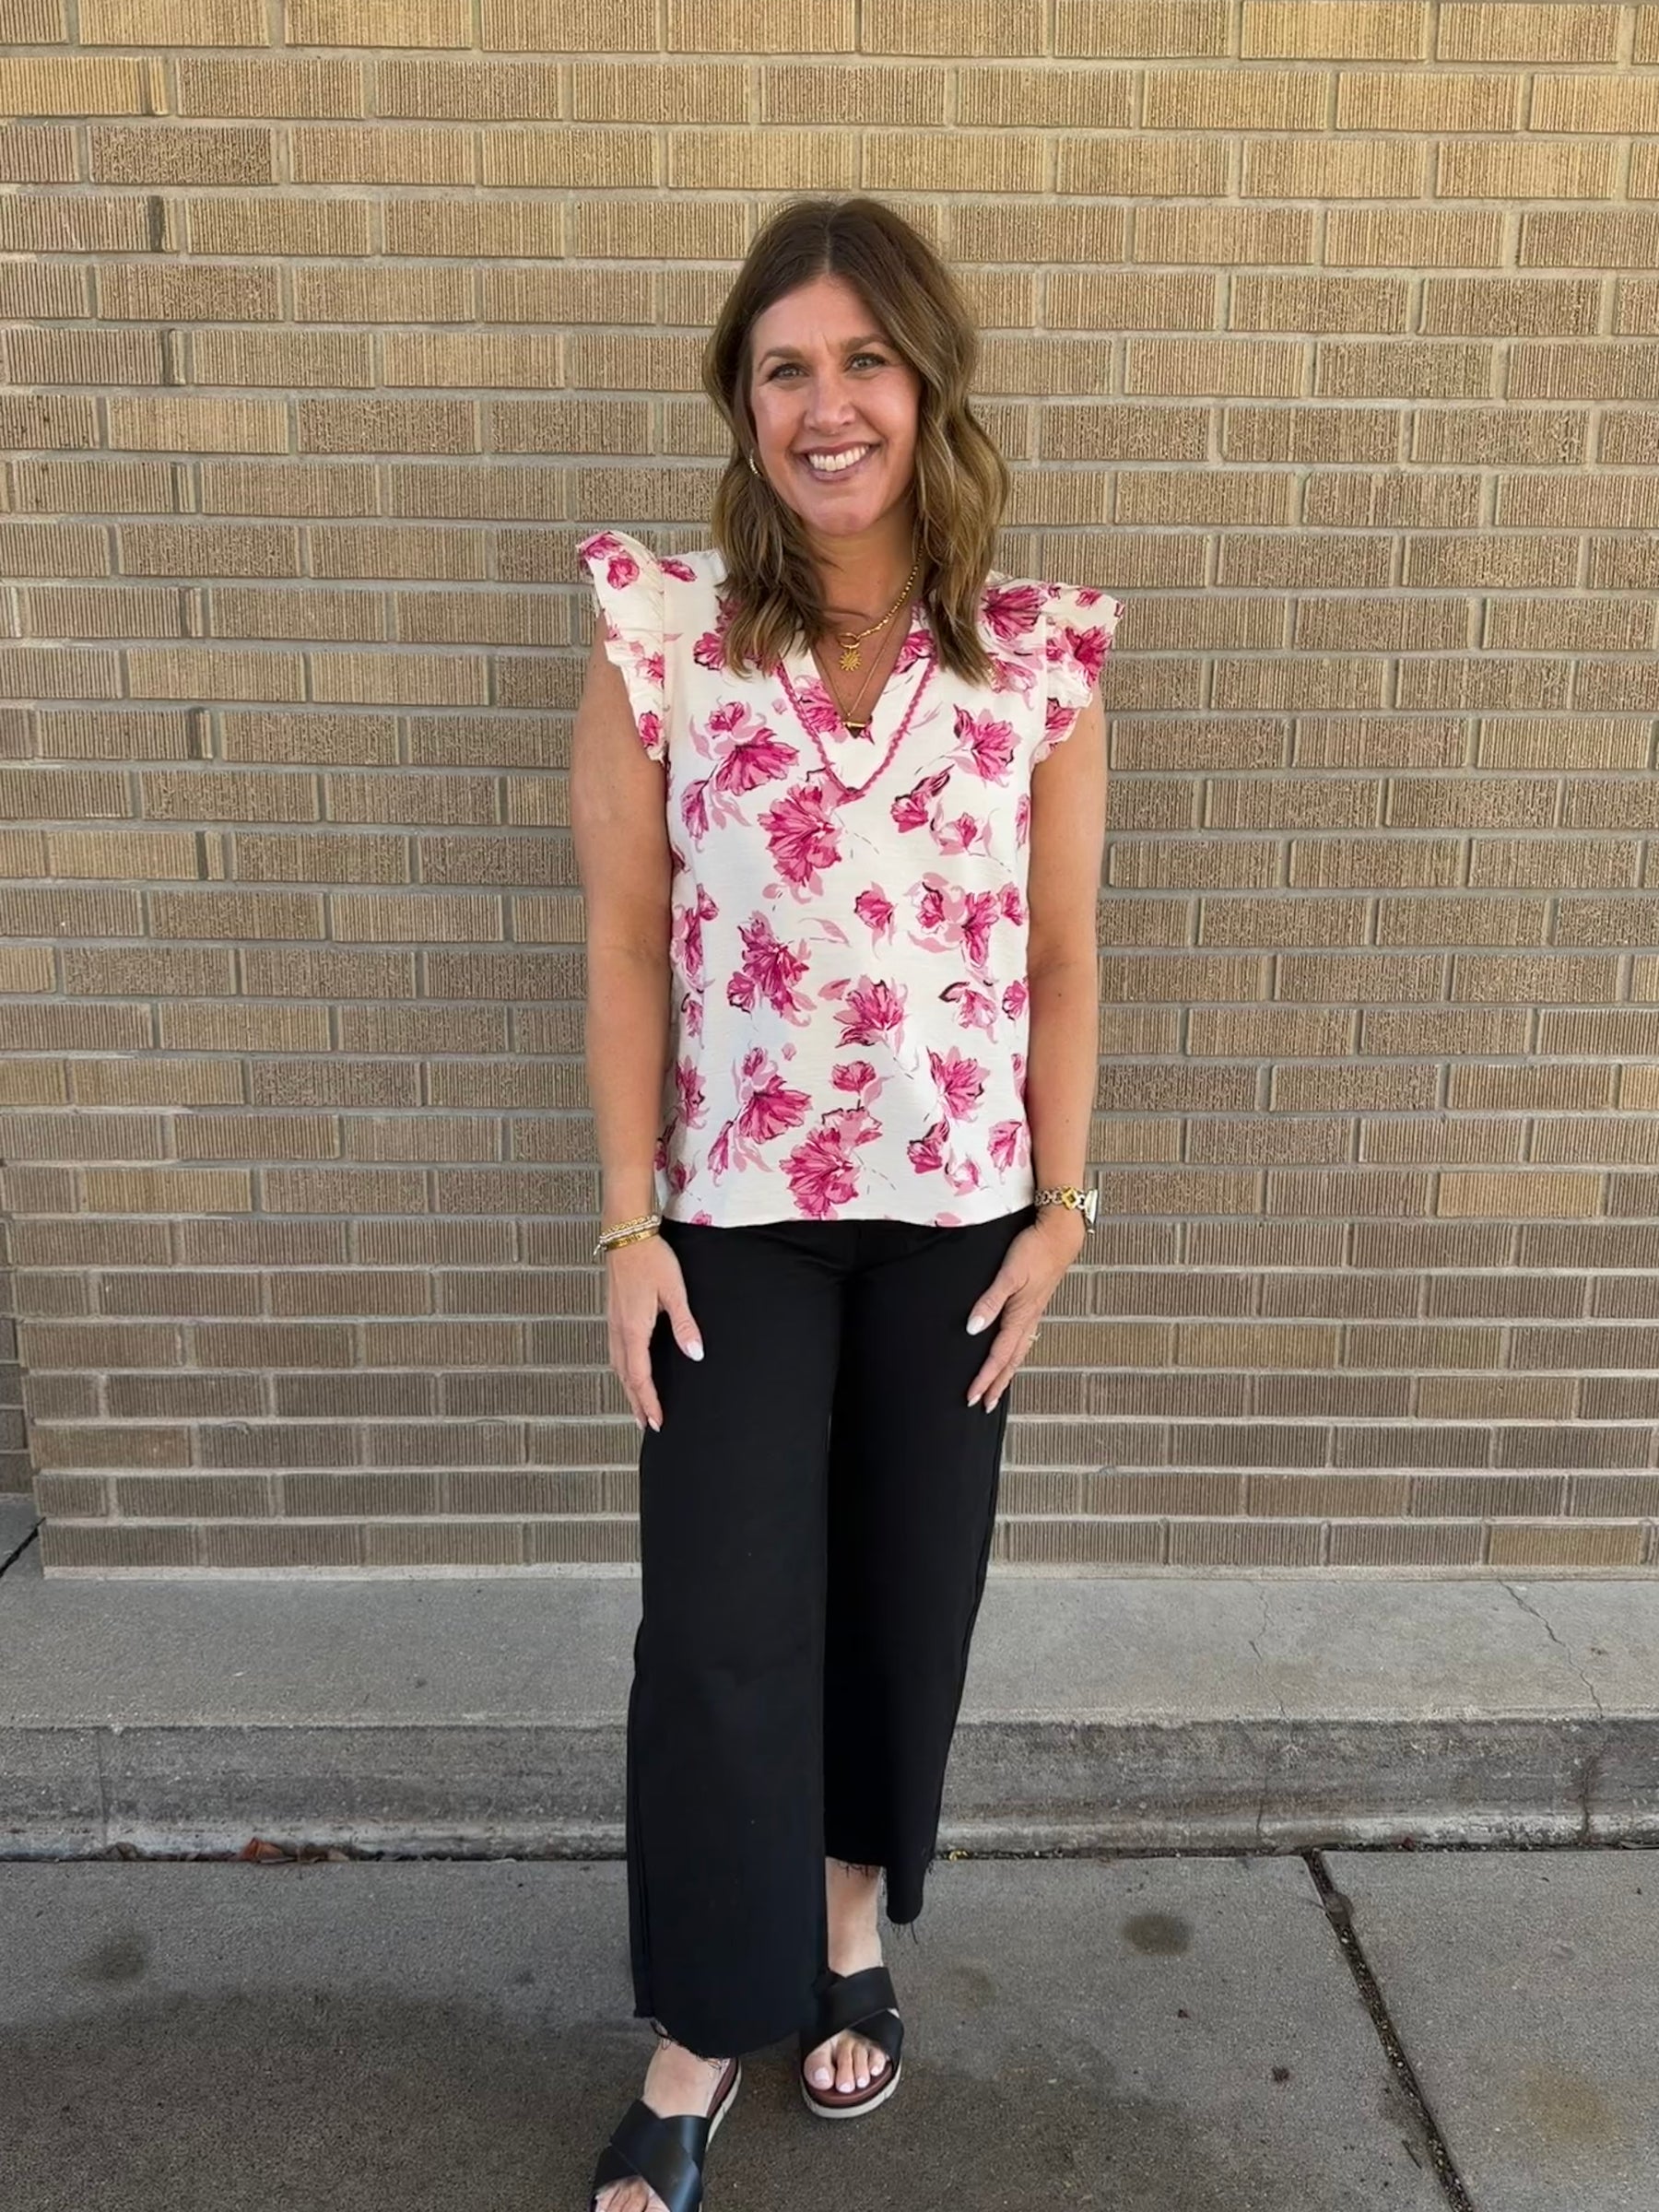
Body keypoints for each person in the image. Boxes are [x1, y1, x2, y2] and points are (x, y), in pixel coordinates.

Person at [571, 194, 1123, 2212]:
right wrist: (628, 1225)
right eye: (785, 366)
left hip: (960, 1215)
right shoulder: (665, 632)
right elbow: (631, 943)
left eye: (862, 362)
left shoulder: (1036, 654)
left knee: (907, 1595)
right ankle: (703, 2025)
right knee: (719, 1619)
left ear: (926, 382)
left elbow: (1064, 949)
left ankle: (849, 1932)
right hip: (732, 1213)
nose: (827, 405)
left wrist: (1060, 1213)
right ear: (742, 393)